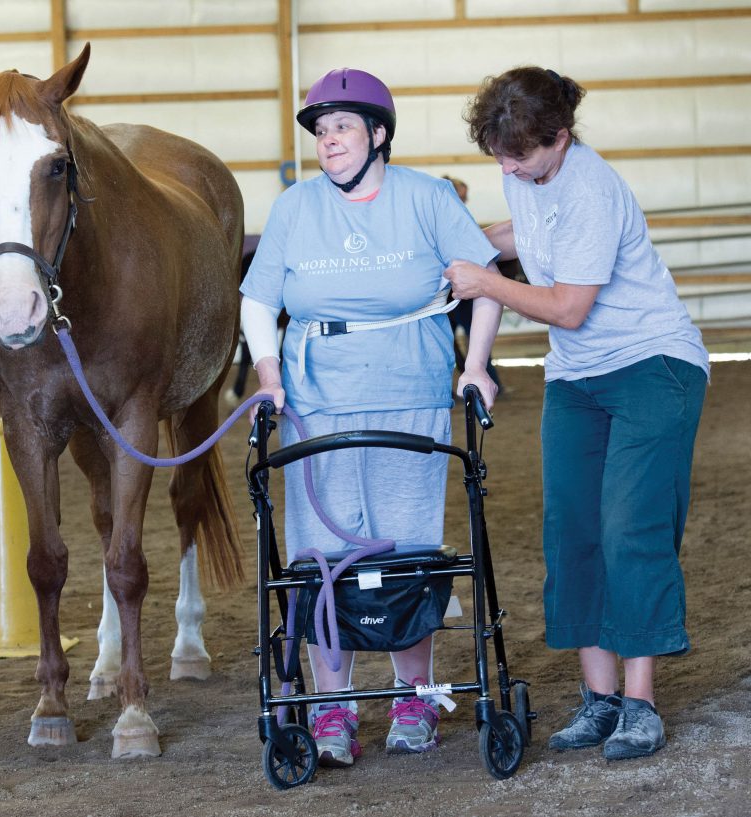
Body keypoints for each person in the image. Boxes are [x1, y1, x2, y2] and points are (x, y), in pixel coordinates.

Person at [240, 67, 502, 768]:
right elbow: (259, 300)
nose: (329, 142)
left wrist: (474, 365)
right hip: (316, 396)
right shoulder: (296, 207)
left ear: (378, 134)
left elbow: (483, 278)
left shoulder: (427, 197)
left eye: (343, 128)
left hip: (409, 391)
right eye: (322, 131)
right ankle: (331, 707)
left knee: (403, 548)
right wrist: (268, 374)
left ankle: (413, 695)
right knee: (321, 559)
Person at [446, 66, 709, 761]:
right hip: (577, 375)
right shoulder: (520, 168)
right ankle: (599, 701)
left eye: (520, 157)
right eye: (498, 155)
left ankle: (641, 702)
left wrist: (483, 277)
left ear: (560, 138)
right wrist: (474, 247)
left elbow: (567, 306)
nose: (506, 166)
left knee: (631, 527)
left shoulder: (591, 186)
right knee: (572, 530)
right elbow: (522, 234)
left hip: (652, 365)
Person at [440, 175, 503, 391]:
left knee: (475, 336)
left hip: (463, 294)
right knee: (454, 338)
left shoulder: (458, 221)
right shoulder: (445, 220)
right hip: (448, 295)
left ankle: (482, 377)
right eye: (461, 197)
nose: (464, 202)